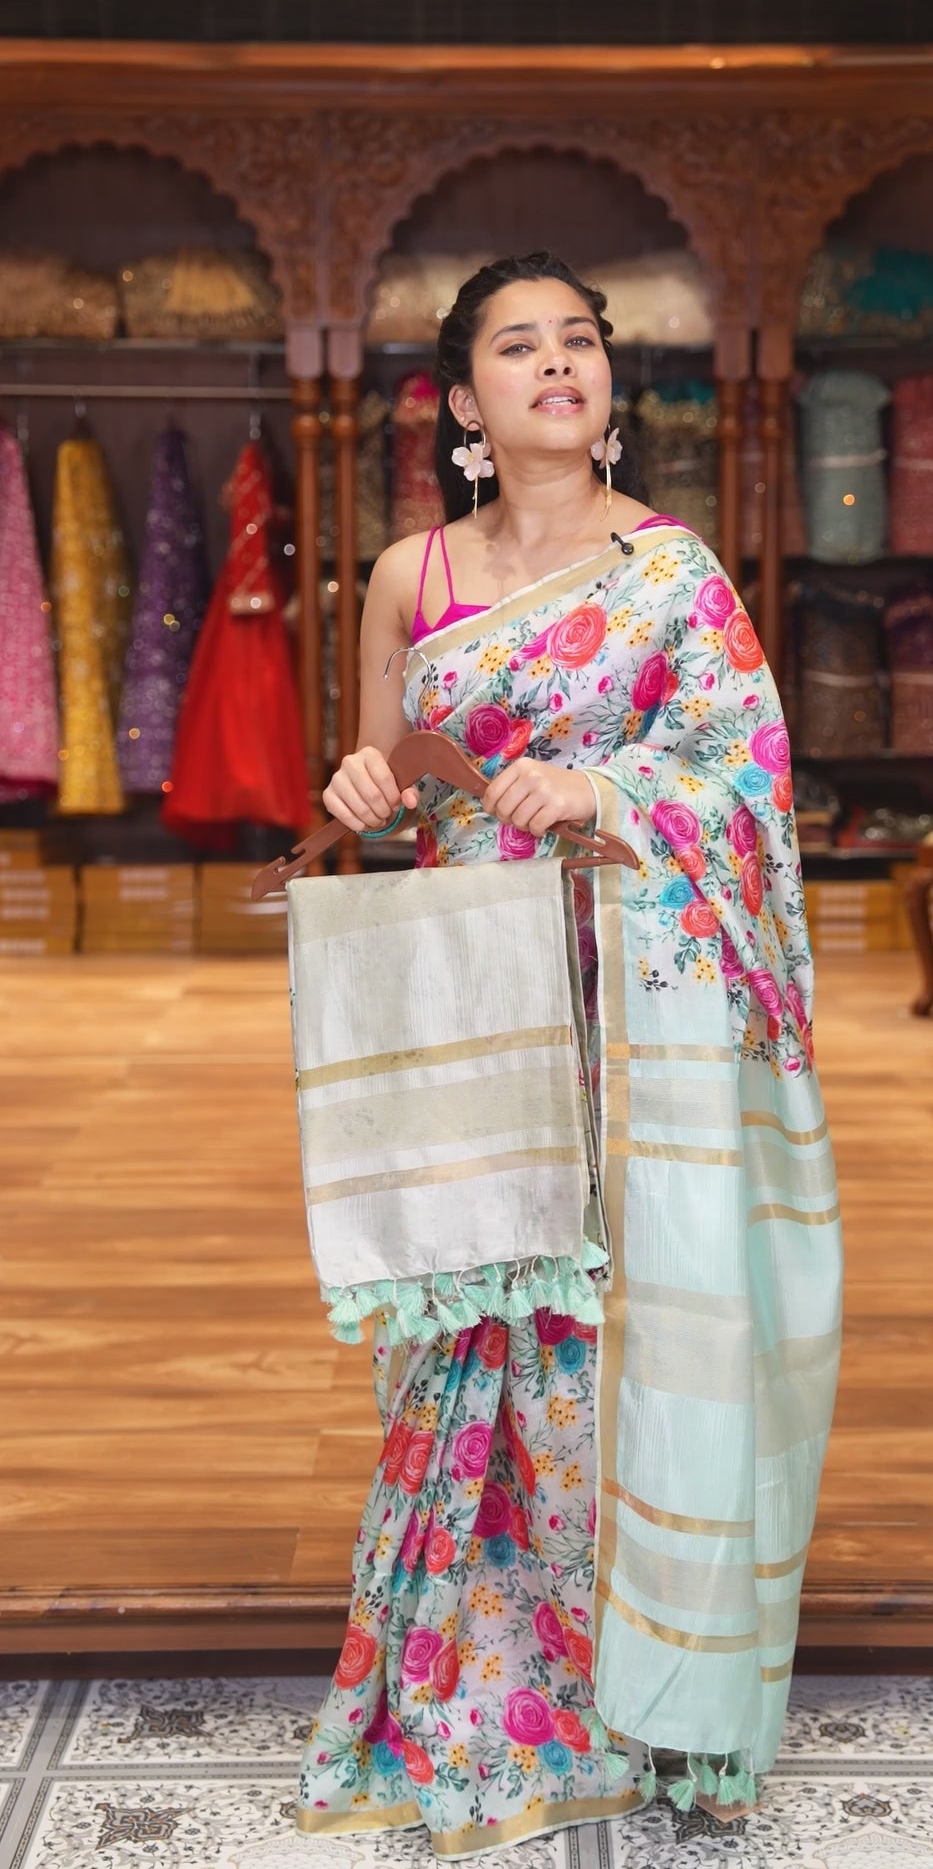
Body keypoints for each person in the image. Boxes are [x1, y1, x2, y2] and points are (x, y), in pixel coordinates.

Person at [296, 252, 843, 1860]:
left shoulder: (672, 573)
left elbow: (748, 772)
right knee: (480, 1307)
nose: (557, 363)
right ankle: (482, 1670)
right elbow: (395, 765)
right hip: (478, 992)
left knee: (628, 1317)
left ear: (608, 384)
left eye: (579, 342)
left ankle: (649, 1687)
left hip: (641, 1002)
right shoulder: (412, 575)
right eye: (518, 346)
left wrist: (603, 792)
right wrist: (359, 785)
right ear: (461, 400)